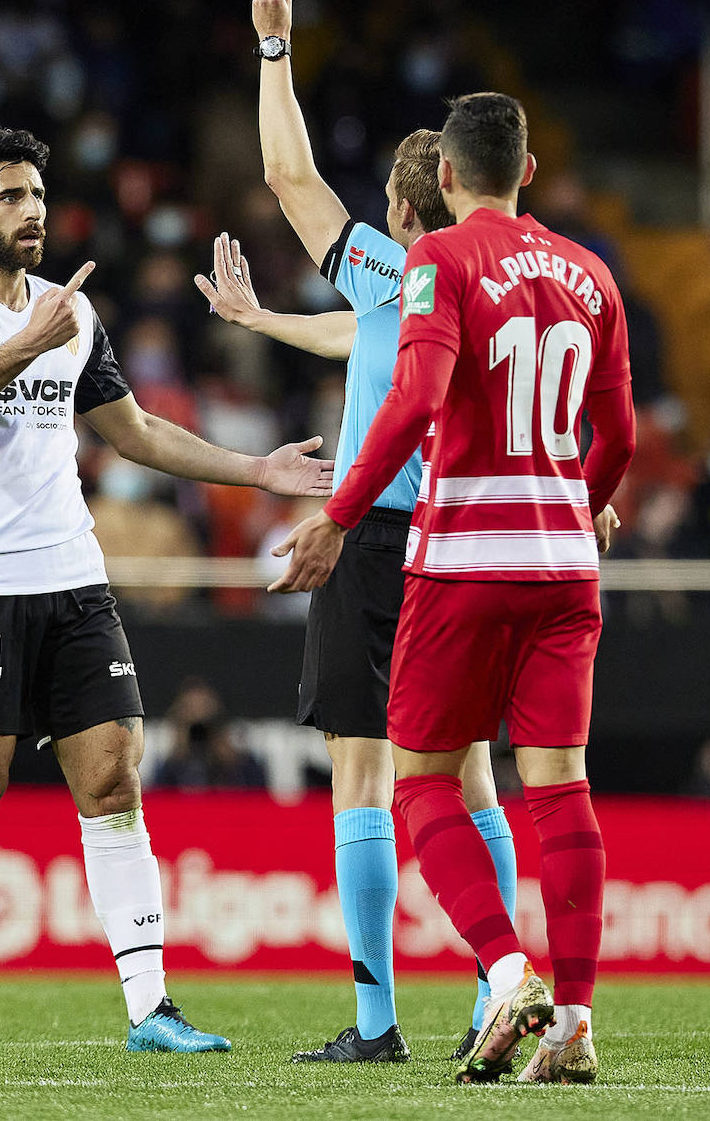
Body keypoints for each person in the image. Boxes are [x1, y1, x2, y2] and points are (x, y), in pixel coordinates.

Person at [0, 127, 333, 1055]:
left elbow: (134, 433)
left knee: (115, 777)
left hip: (75, 576)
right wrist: (27, 342)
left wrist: (259, 469)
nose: (32, 209)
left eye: (38, 193)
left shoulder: (72, 313)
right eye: (9, 196)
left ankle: (150, 1008)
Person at [271, 92, 636, 1085]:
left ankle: (500, 971)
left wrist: (338, 516)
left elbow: (416, 395)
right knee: (554, 784)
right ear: (528, 170)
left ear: (439, 181)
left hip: (460, 553)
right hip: (564, 565)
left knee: (413, 778)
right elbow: (624, 438)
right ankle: (574, 1019)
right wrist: (584, 503)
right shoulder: (592, 273)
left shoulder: (431, 262)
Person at [190, 0, 518, 1065]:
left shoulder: (394, 263)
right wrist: (263, 315)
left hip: (377, 540)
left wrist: (275, 46)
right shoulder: (485, 284)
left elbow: (288, 176)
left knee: (362, 773)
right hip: (469, 544)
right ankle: (494, 992)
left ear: (401, 207)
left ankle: (377, 1023)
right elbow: (361, 341)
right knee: (471, 773)